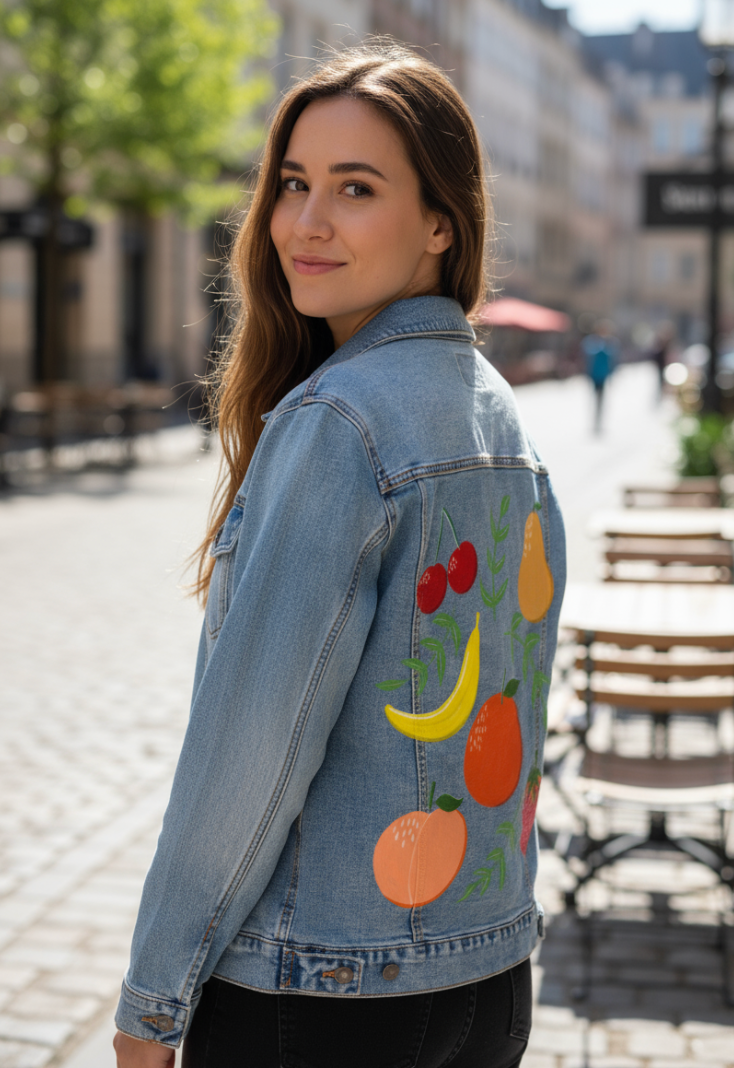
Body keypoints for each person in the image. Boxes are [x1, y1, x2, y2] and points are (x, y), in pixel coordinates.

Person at [113, 41, 566, 1068]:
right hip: (486, 980)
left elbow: (249, 755)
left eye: (354, 189)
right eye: (292, 184)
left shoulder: (339, 423)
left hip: (317, 994)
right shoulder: (506, 423)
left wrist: (151, 1003)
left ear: (439, 222)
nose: (304, 223)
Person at [582, 320, 619, 433]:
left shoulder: (610, 342)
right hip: (594, 375)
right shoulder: (592, 341)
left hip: (603, 375)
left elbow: (613, 359)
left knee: (601, 399)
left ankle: (599, 420)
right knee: (595, 398)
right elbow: (587, 354)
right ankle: (595, 420)